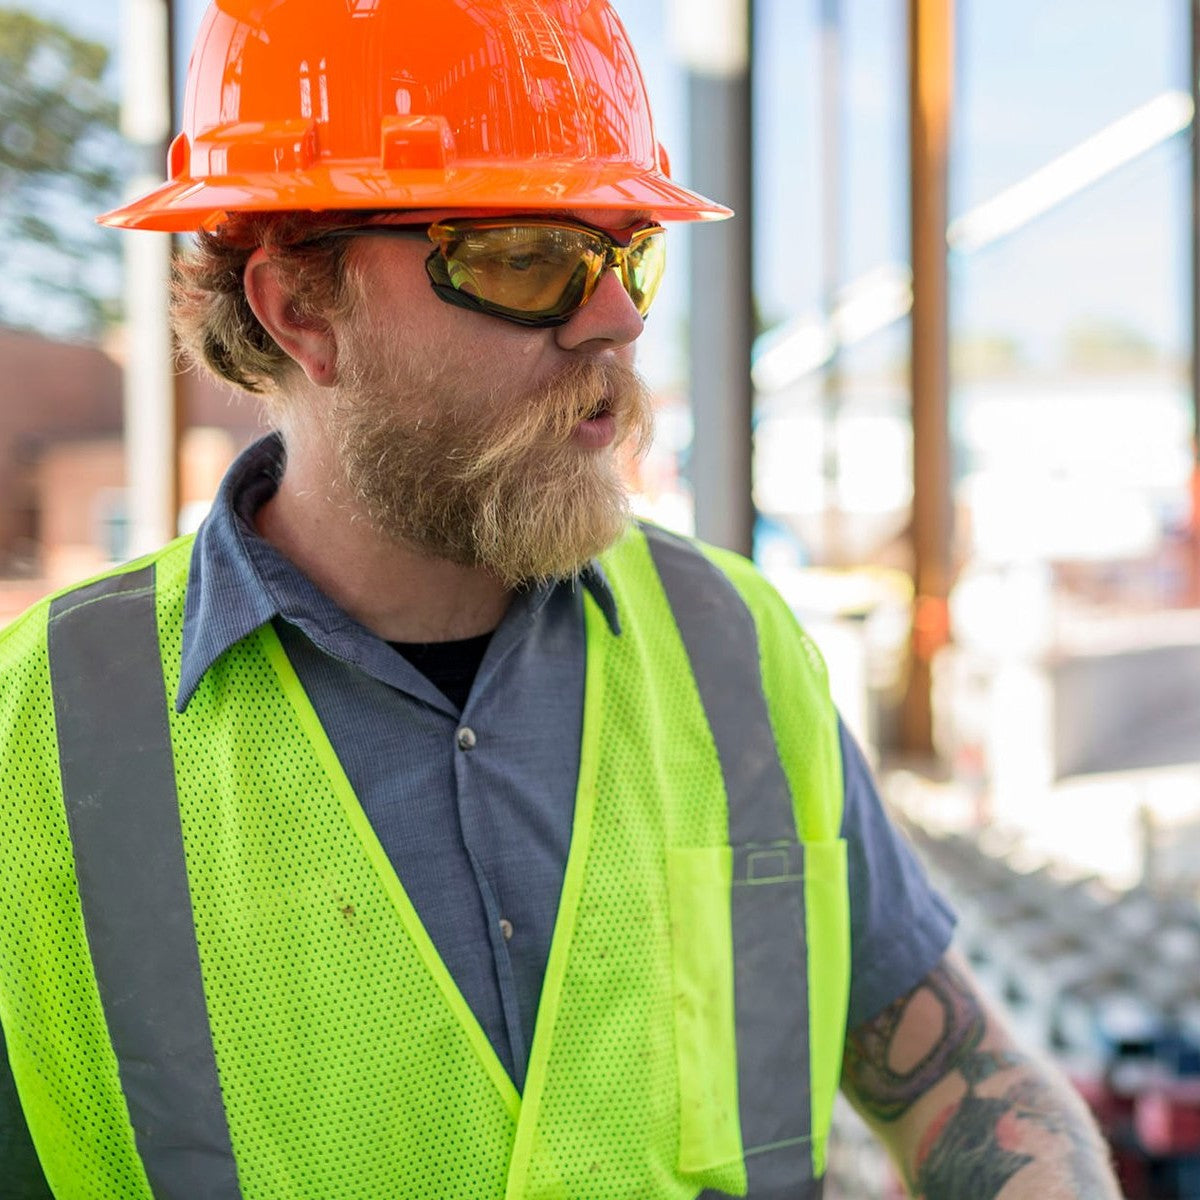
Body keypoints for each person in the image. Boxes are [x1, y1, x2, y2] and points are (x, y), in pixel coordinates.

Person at [0, 1, 1122, 1197]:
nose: (622, 318)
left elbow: (963, 1082)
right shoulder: (44, 738)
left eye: (629, 250)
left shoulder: (730, 648)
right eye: (528, 257)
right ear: (302, 309)